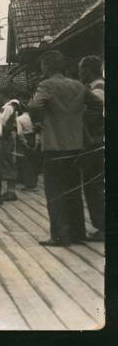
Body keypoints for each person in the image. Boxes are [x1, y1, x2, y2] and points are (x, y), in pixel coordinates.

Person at [29, 50, 99, 246]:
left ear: (47, 66)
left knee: (56, 191)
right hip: (76, 146)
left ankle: (60, 235)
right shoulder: (78, 85)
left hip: (54, 147)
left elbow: (35, 106)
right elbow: (98, 105)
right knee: (73, 189)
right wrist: (79, 122)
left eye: (42, 66)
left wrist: (39, 121)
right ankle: (78, 232)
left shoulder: (46, 85)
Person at [77, 55, 104, 241]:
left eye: (80, 68)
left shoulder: (98, 89)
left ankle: (103, 227)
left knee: (94, 186)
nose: (79, 72)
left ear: (87, 70)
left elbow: (94, 116)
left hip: (95, 144)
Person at [0, 87, 21, 201]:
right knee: (8, 162)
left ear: (2, 95)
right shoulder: (10, 107)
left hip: (6, 138)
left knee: (8, 162)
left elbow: (1, 122)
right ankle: (10, 191)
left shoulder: (8, 107)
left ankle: (11, 192)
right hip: (8, 136)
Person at [15, 97, 39, 192]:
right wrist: (37, 142)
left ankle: (29, 185)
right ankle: (34, 183)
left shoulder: (19, 119)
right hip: (34, 138)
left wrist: (24, 143)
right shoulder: (34, 118)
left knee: (27, 162)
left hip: (26, 138)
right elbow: (38, 130)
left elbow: (20, 133)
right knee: (34, 162)